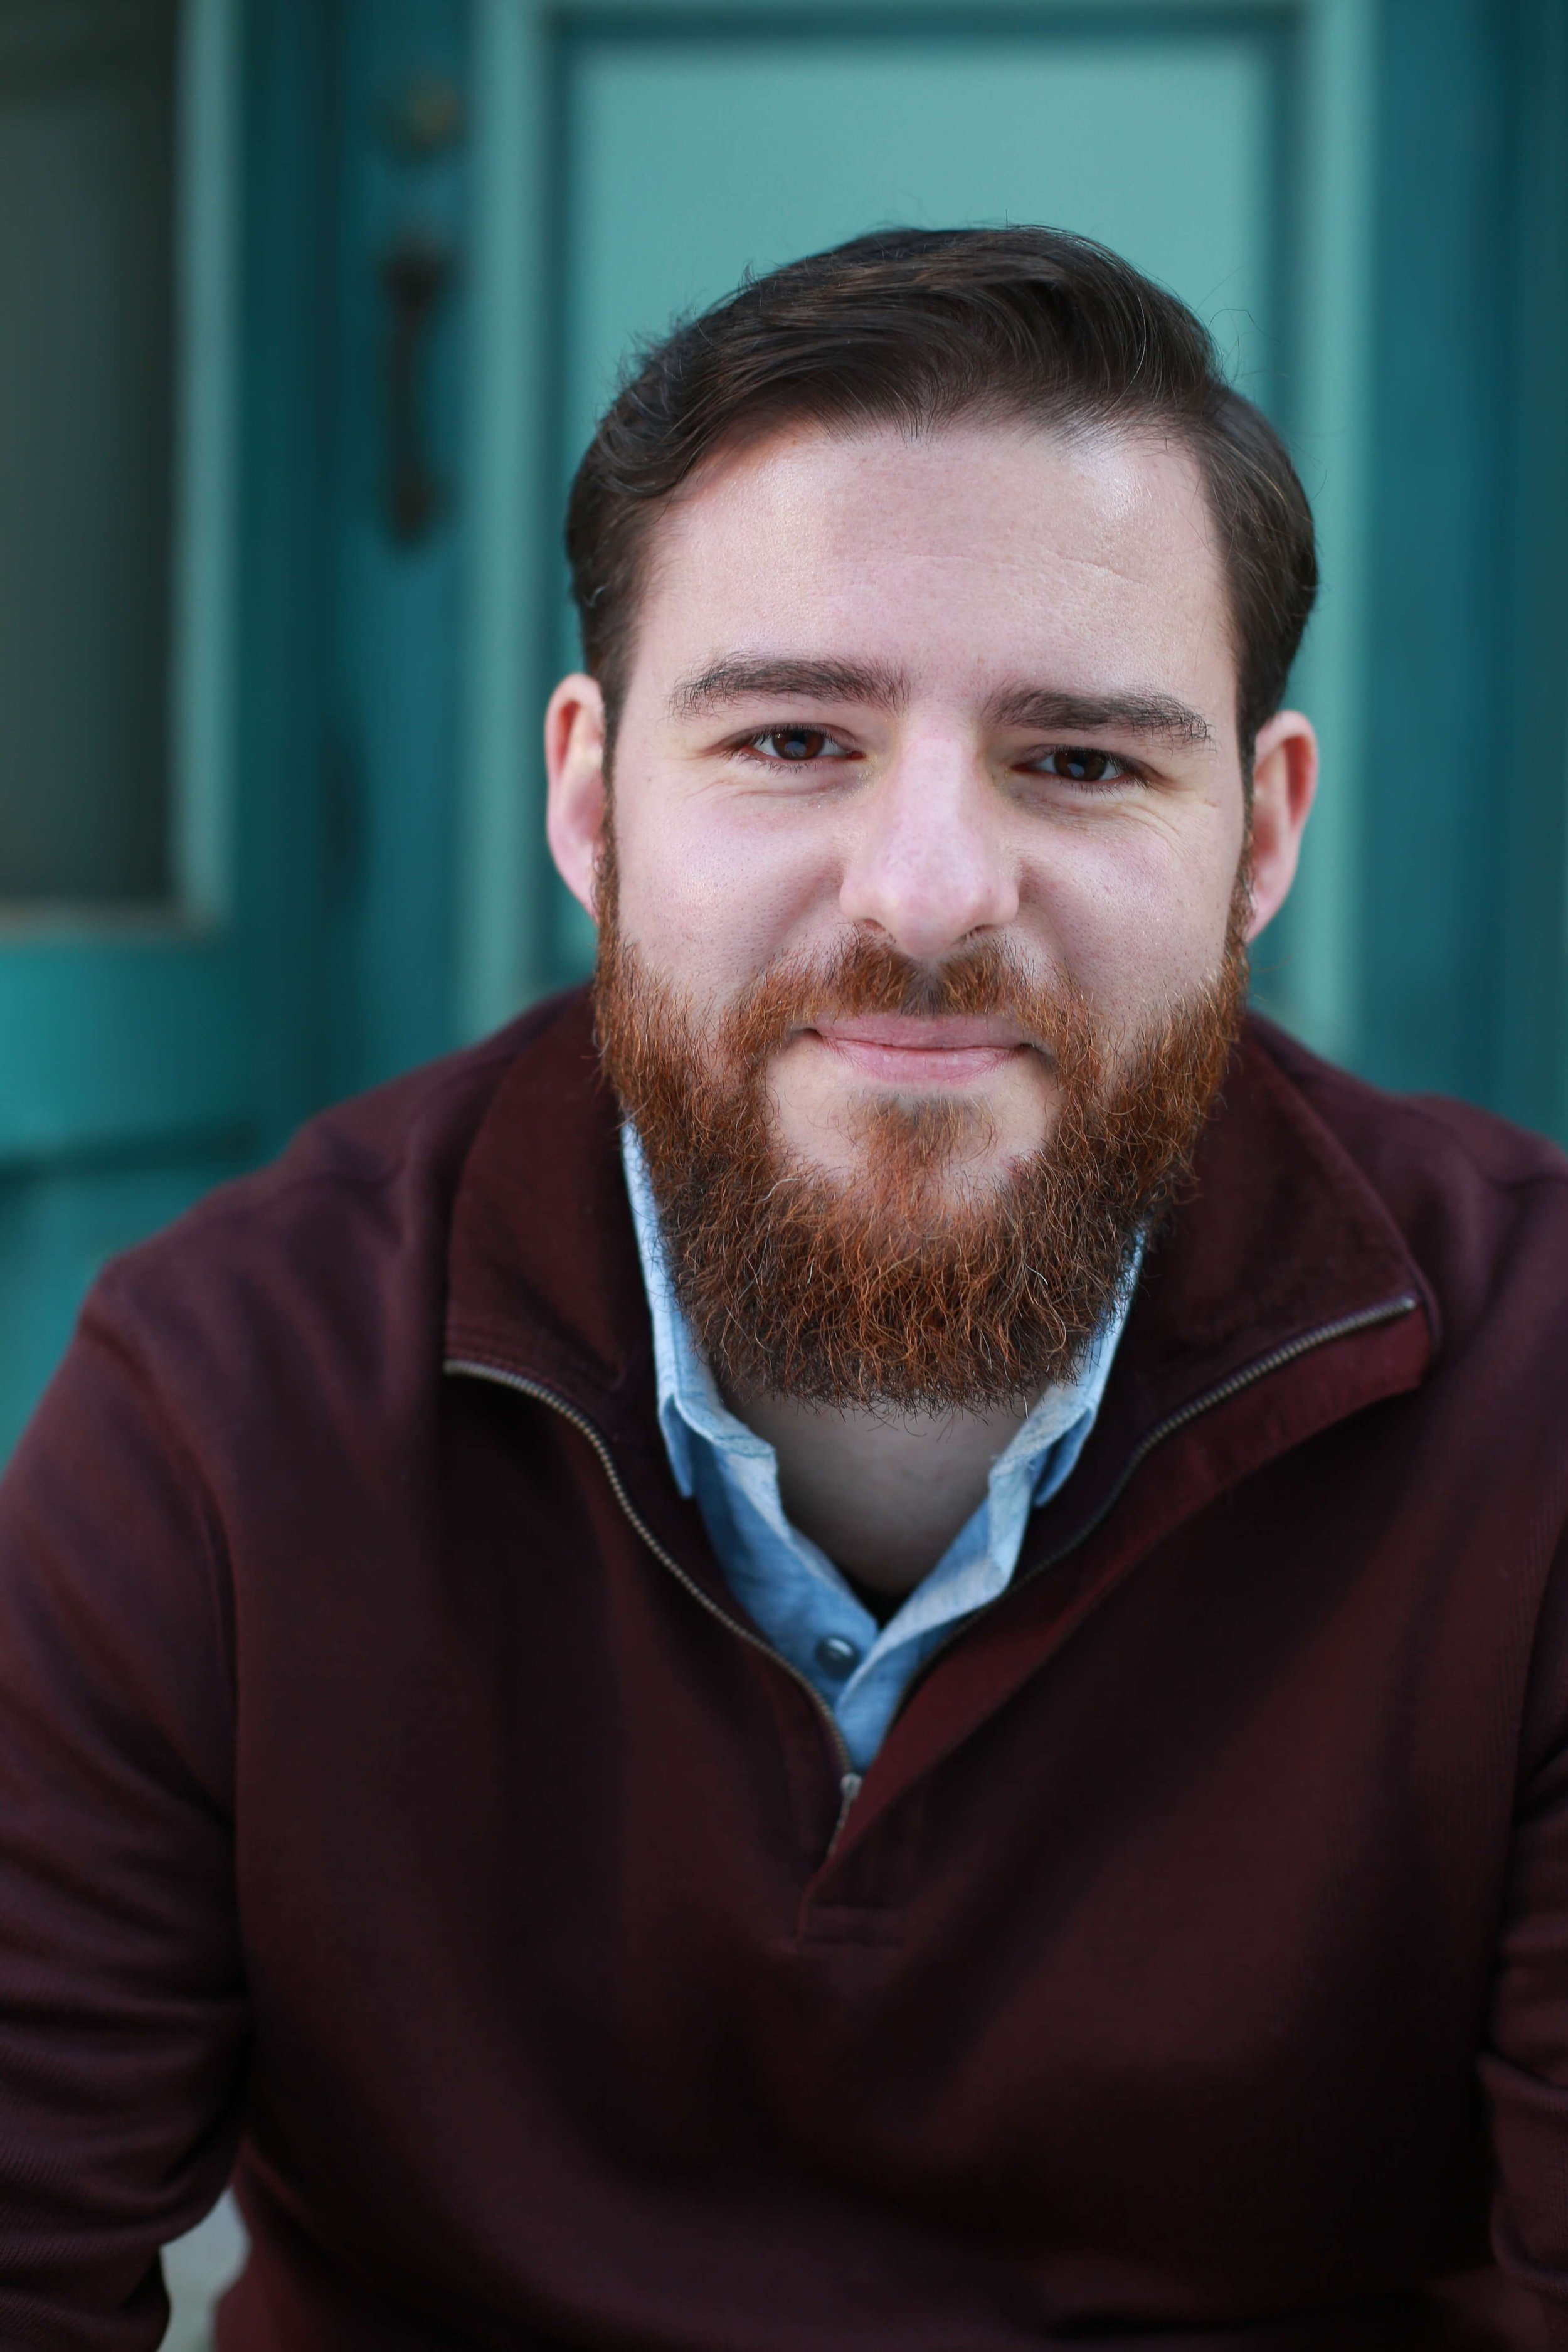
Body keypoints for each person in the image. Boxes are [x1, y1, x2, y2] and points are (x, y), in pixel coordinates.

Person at [1, 226, 1565, 2352]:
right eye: (794, 741)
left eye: (1082, 761)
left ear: (1260, 832)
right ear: (589, 795)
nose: (926, 896)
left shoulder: (1540, 1406)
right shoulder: (221, 1404)